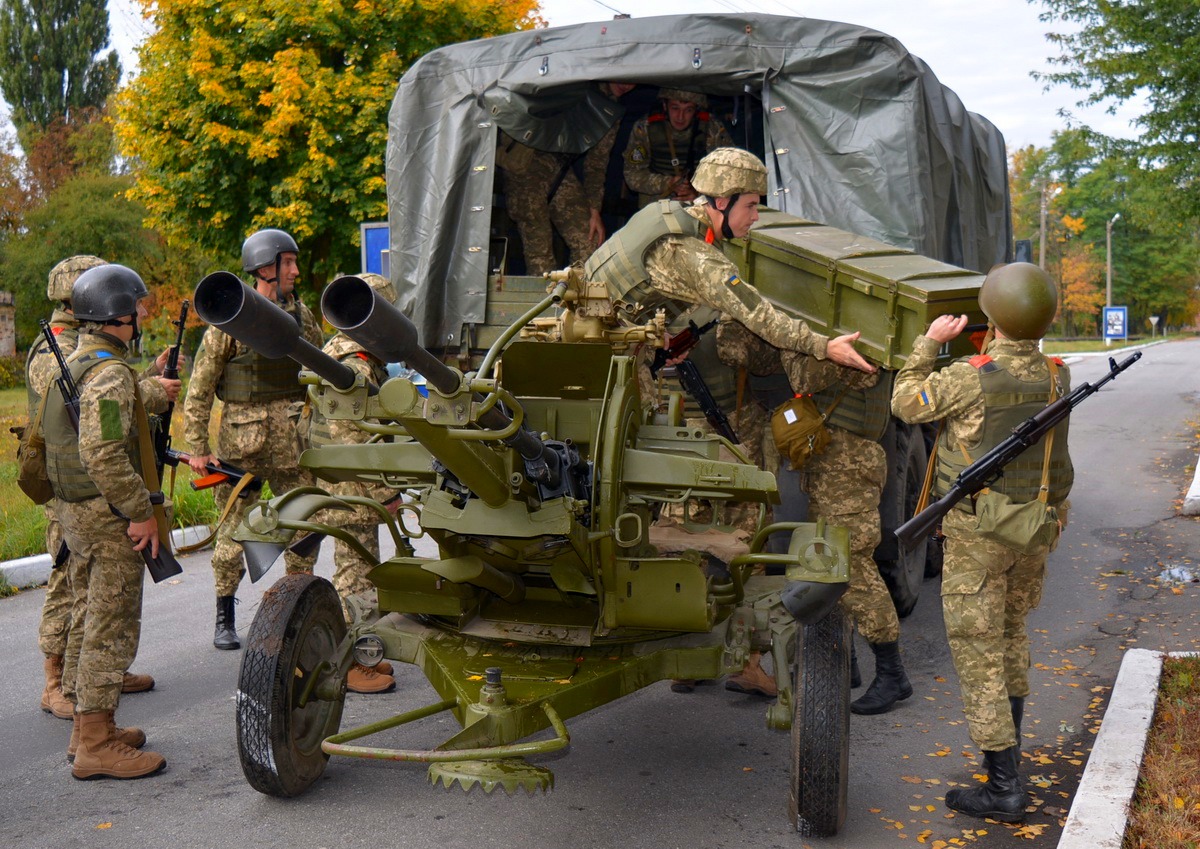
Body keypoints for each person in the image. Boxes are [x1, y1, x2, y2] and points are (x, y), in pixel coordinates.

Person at [584, 147, 875, 695]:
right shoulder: (693, 254)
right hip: (614, 371)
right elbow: (756, 313)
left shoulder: (659, 218)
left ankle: (679, 623)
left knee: (642, 496)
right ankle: (716, 642)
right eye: (751, 206)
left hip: (592, 364)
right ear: (719, 202)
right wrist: (823, 345)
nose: (756, 217)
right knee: (661, 497)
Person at [891, 262, 1073, 824]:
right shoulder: (1057, 375)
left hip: (977, 533)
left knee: (979, 656)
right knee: (1012, 637)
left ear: (992, 317)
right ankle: (1008, 763)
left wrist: (928, 343)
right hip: (1032, 529)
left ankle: (1002, 789)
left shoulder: (970, 376)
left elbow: (906, 402)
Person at [41, 264, 181, 779]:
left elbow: (116, 414)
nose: (143, 313)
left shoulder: (77, 362)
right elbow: (103, 450)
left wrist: (155, 386)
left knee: (85, 619)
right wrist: (140, 513)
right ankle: (97, 746)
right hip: (110, 517)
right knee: (109, 626)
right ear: (117, 314)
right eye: (138, 305)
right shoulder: (108, 374)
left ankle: (85, 731)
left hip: (77, 513)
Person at [183, 228, 323, 650]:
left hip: (295, 446)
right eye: (288, 262)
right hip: (241, 449)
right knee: (231, 533)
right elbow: (200, 387)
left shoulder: (304, 317)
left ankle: (297, 608)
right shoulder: (230, 319)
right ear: (266, 267)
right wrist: (197, 449)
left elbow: (319, 375)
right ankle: (224, 616)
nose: (296, 270)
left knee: (304, 527)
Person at [306, 272, 411, 694]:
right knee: (355, 575)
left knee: (360, 568)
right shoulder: (355, 366)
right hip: (349, 488)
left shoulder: (342, 353)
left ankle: (360, 655)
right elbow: (354, 439)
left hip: (343, 482)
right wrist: (388, 496)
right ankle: (350, 664)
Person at [497, 82, 635, 274]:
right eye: (623, 77)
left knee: (590, 242)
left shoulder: (609, 110)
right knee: (541, 254)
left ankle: (578, 299)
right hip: (526, 163)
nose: (626, 85)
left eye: (633, 81)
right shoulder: (578, 79)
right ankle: (547, 302)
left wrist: (594, 211)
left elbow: (597, 163)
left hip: (558, 168)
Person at [622, 89, 732, 209]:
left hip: (700, 206)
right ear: (665, 106)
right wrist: (667, 183)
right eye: (675, 108)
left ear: (696, 110)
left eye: (688, 110)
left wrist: (699, 193)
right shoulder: (645, 128)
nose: (680, 117)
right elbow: (632, 175)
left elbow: (730, 172)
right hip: (656, 205)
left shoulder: (712, 128)